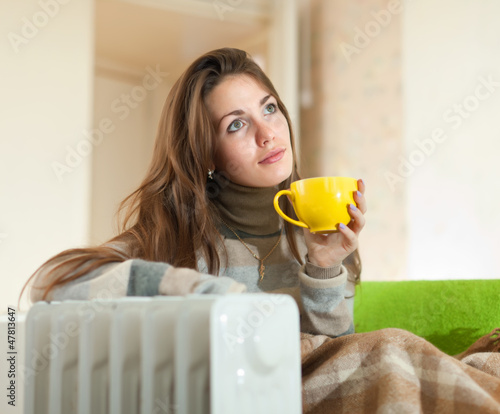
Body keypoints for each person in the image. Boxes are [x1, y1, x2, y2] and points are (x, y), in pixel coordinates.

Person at [22, 48, 500, 413]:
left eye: (269, 108)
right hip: (247, 392)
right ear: (206, 153)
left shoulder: (316, 233)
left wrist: (325, 267)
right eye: (236, 125)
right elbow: (54, 280)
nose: (267, 133)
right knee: (391, 350)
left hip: (310, 385)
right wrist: (208, 294)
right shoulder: (175, 236)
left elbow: (332, 360)